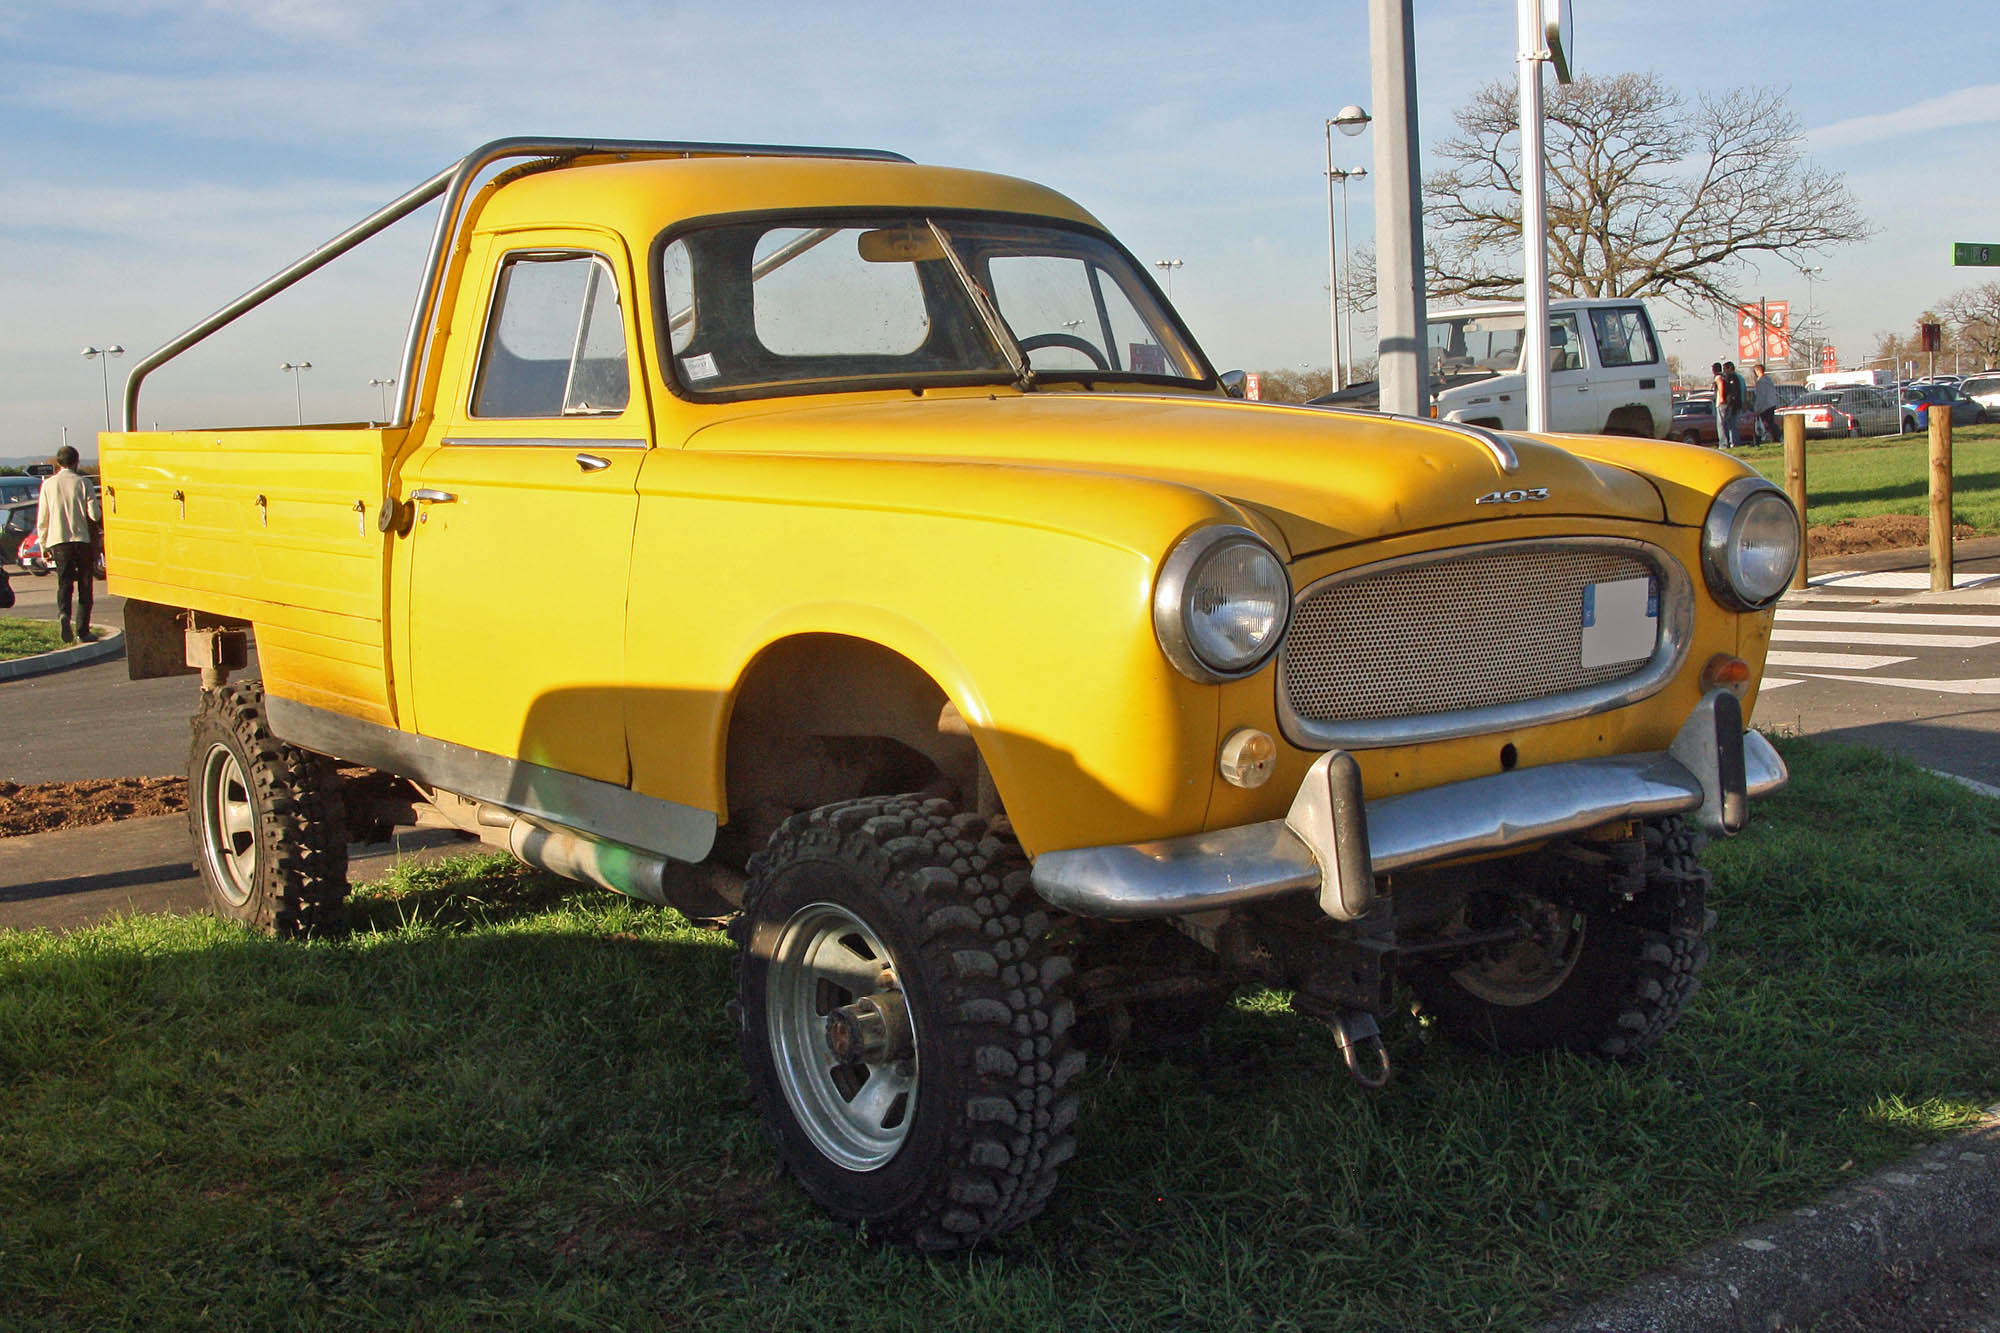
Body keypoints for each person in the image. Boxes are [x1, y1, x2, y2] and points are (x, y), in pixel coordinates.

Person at [35, 445, 101, 642]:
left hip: (58, 541)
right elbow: (94, 514)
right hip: (81, 540)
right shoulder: (83, 483)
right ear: (76, 462)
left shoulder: (47, 485)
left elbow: (42, 518)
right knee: (85, 584)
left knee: (64, 582)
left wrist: (43, 545)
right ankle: (83, 630)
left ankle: (64, 613)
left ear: (58, 463)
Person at [1751, 363, 1779, 444]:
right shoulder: (1768, 380)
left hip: (1764, 406)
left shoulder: (1760, 382)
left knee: (1764, 424)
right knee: (1770, 423)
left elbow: (1761, 396)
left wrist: (1757, 409)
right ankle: (1776, 438)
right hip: (1771, 404)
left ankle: (1758, 441)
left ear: (1757, 371)